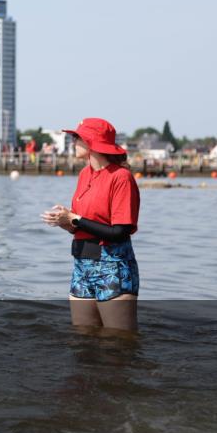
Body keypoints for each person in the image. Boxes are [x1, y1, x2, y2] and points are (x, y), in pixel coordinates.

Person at [41, 118, 140, 331]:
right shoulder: (84, 174)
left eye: (77, 137)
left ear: (93, 142)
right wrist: (66, 223)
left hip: (113, 267)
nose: (73, 140)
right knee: (83, 341)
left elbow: (120, 232)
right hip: (82, 265)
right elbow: (84, 224)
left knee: (118, 344)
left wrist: (75, 219)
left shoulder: (121, 178)